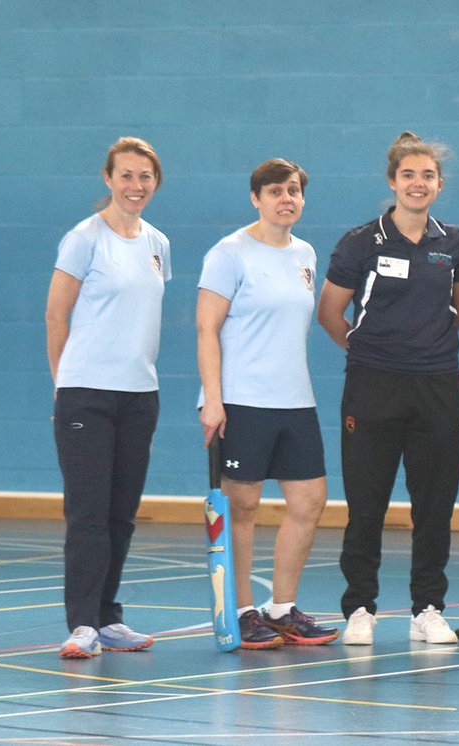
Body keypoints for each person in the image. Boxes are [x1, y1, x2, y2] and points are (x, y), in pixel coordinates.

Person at [318, 132, 459, 646]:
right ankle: (359, 607)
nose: (418, 183)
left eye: (427, 175)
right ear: (393, 181)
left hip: (437, 386)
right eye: (409, 175)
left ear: (439, 184)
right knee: (367, 504)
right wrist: (368, 353)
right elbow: (329, 311)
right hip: (372, 386)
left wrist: (426, 348)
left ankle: (427, 607)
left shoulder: (452, 242)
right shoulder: (361, 241)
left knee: (435, 506)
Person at [197, 158, 337, 649]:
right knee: (244, 505)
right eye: (275, 190)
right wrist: (212, 400)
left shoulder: (306, 254)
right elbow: (206, 329)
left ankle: (281, 608)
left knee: (310, 501)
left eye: (294, 190)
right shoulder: (228, 253)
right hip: (241, 399)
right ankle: (241, 611)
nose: (286, 198)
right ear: (256, 197)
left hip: (295, 400)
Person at [45, 136, 169, 658]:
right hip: (86, 396)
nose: (135, 186)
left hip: (140, 396)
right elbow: (56, 316)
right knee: (89, 514)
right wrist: (64, 385)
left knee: (122, 514)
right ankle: (82, 625)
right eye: (126, 175)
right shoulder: (84, 239)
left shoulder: (158, 243)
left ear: (155, 182)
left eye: (144, 177)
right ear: (108, 179)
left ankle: (108, 616)